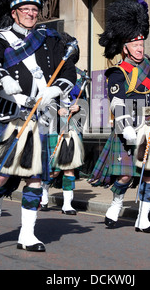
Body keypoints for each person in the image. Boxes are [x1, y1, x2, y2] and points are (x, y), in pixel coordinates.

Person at [0, 0, 77, 252]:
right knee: (2, 176)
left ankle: (28, 234)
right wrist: (6, 82)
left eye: (35, 9)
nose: (32, 14)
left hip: (40, 115)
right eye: (26, 9)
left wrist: (54, 90)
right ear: (14, 12)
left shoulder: (50, 39)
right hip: (8, 113)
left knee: (35, 177)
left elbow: (68, 71)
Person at [88, 0, 150, 233]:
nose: (139, 47)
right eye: (134, 43)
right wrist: (125, 127)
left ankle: (143, 219)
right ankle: (116, 203)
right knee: (126, 176)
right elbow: (117, 101)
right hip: (129, 126)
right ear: (125, 47)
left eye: (141, 42)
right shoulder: (118, 72)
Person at [41, 33, 86, 214]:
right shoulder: (50, 74)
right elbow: (42, 100)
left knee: (69, 167)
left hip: (71, 126)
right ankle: (44, 196)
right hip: (52, 124)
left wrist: (79, 108)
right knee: (53, 169)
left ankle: (68, 204)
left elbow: (84, 102)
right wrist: (56, 109)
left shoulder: (81, 76)